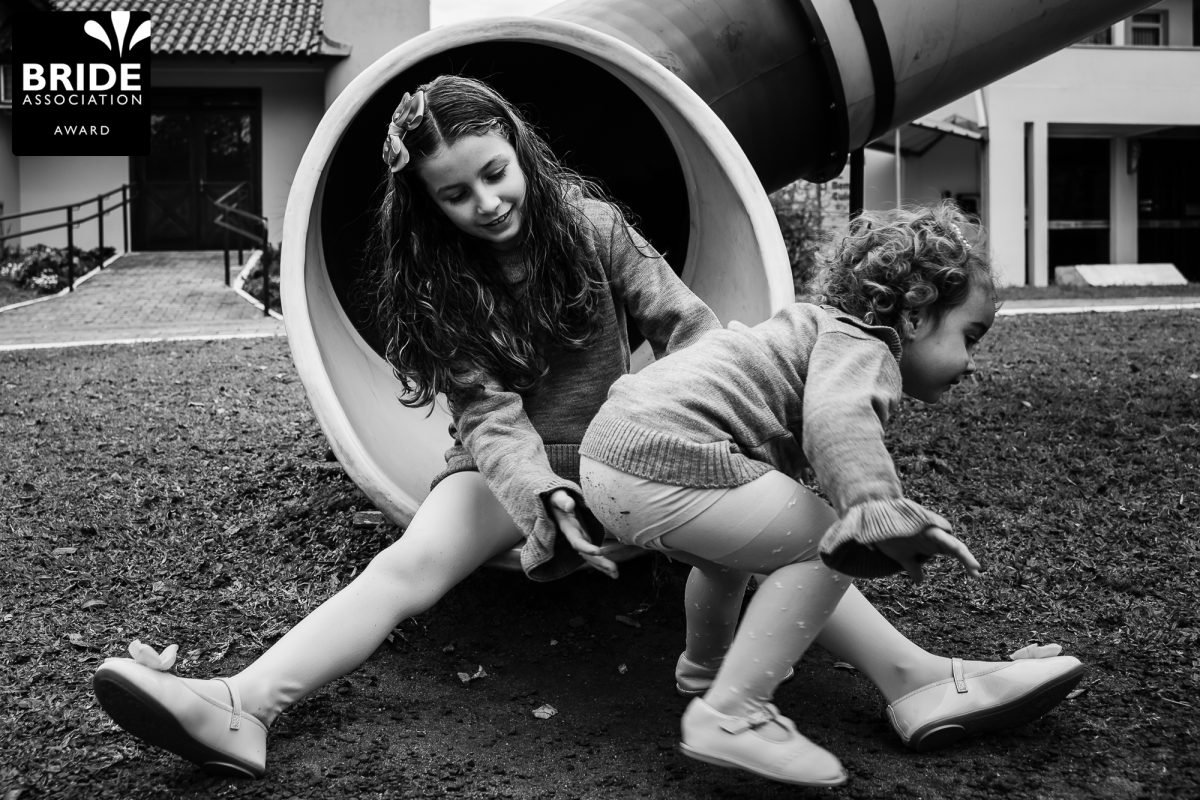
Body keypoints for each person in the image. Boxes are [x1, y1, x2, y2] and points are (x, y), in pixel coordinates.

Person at [91, 78, 1078, 780]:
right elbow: (489, 417)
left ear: (518, 151)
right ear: (427, 203)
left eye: (495, 174)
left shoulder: (588, 225)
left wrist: (734, 434)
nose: (486, 203)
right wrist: (537, 495)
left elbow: (687, 326)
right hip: (520, 468)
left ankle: (916, 677)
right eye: (456, 194)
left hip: (631, 445)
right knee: (409, 563)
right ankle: (243, 704)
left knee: (794, 533)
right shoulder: (437, 284)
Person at [577, 202, 1085, 787]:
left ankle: (707, 670)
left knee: (727, 559)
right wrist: (873, 508)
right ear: (915, 314)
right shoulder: (864, 345)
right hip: (670, 455)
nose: (971, 364)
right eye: (970, 337)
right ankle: (733, 713)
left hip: (608, 456)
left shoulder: (809, 329)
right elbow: (836, 419)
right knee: (827, 544)